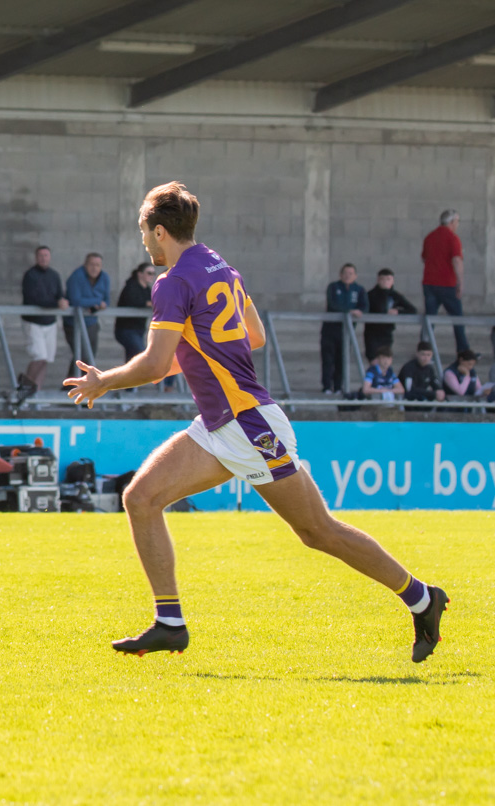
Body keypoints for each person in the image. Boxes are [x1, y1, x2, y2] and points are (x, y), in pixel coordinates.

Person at [64, 181, 447, 663]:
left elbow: (156, 365)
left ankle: (422, 598)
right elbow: (254, 335)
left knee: (317, 532)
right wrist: (198, 352)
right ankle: (170, 623)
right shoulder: (219, 265)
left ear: (160, 232)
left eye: (144, 232)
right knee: (140, 498)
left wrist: (104, 381)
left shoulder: (172, 282)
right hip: (220, 422)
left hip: (247, 424)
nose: (144, 241)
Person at [19, 245, 69, 392]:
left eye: (46, 255)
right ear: (36, 258)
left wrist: (62, 301)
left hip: (50, 322)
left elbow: (59, 294)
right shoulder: (30, 275)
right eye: (40, 256)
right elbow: (33, 299)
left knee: (46, 359)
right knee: (39, 357)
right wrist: (56, 303)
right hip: (33, 322)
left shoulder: (54, 275)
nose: (43, 258)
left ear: (50, 257)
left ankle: (37, 393)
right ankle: (25, 390)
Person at [422, 209, 469, 353]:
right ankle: (463, 351)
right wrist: (460, 283)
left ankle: (424, 349)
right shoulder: (452, 238)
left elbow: (424, 258)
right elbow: (457, 260)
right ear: (452, 222)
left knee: (429, 319)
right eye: (457, 221)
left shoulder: (430, 237)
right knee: (458, 320)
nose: (458, 224)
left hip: (429, 283)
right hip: (447, 284)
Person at [320, 262, 367, 394]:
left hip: (347, 332)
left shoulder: (359, 290)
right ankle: (327, 387)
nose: (348, 276)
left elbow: (365, 307)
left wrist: (358, 312)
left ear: (355, 275)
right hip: (330, 330)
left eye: (350, 273)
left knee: (342, 359)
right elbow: (332, 305)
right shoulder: (333, 287)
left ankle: (339, 387)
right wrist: (350, 311)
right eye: (345, 273)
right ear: (341, 274)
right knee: (328, 359)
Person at [63, 252, 110, 380]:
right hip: (73, 324)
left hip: (91, 322)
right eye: (91, 265)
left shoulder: (104, 277)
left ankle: (76, 385)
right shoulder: (76, 277)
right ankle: (72, 386)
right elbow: (75, 300)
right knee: (82, 355)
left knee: (89, 357)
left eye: (97, 265)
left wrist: (100, 304)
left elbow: (106, 300)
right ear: (85, 265)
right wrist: (95, 302)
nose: (94, 268)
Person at [364, 268, 416, 361]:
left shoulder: (395, 296)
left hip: (387, 333)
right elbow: (364, 309)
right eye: (382, 279)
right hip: (372, 333)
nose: (385, 282)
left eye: (388, 279)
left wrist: (398, 312)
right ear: (378, 280)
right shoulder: (370, 295)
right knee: (373, 360)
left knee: (385, 360)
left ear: (392, 281)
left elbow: (412, 310)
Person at [114, 263, 156, 362]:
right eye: (149, 273)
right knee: (141, 356)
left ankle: (127, 378)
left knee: (132, 360)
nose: (151, 276)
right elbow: (131, 300)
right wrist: (147, 303)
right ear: (140, 274)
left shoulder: (147, 290)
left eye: (153, 273)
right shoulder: (130, 287)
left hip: (139, 330)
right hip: (126, 330)